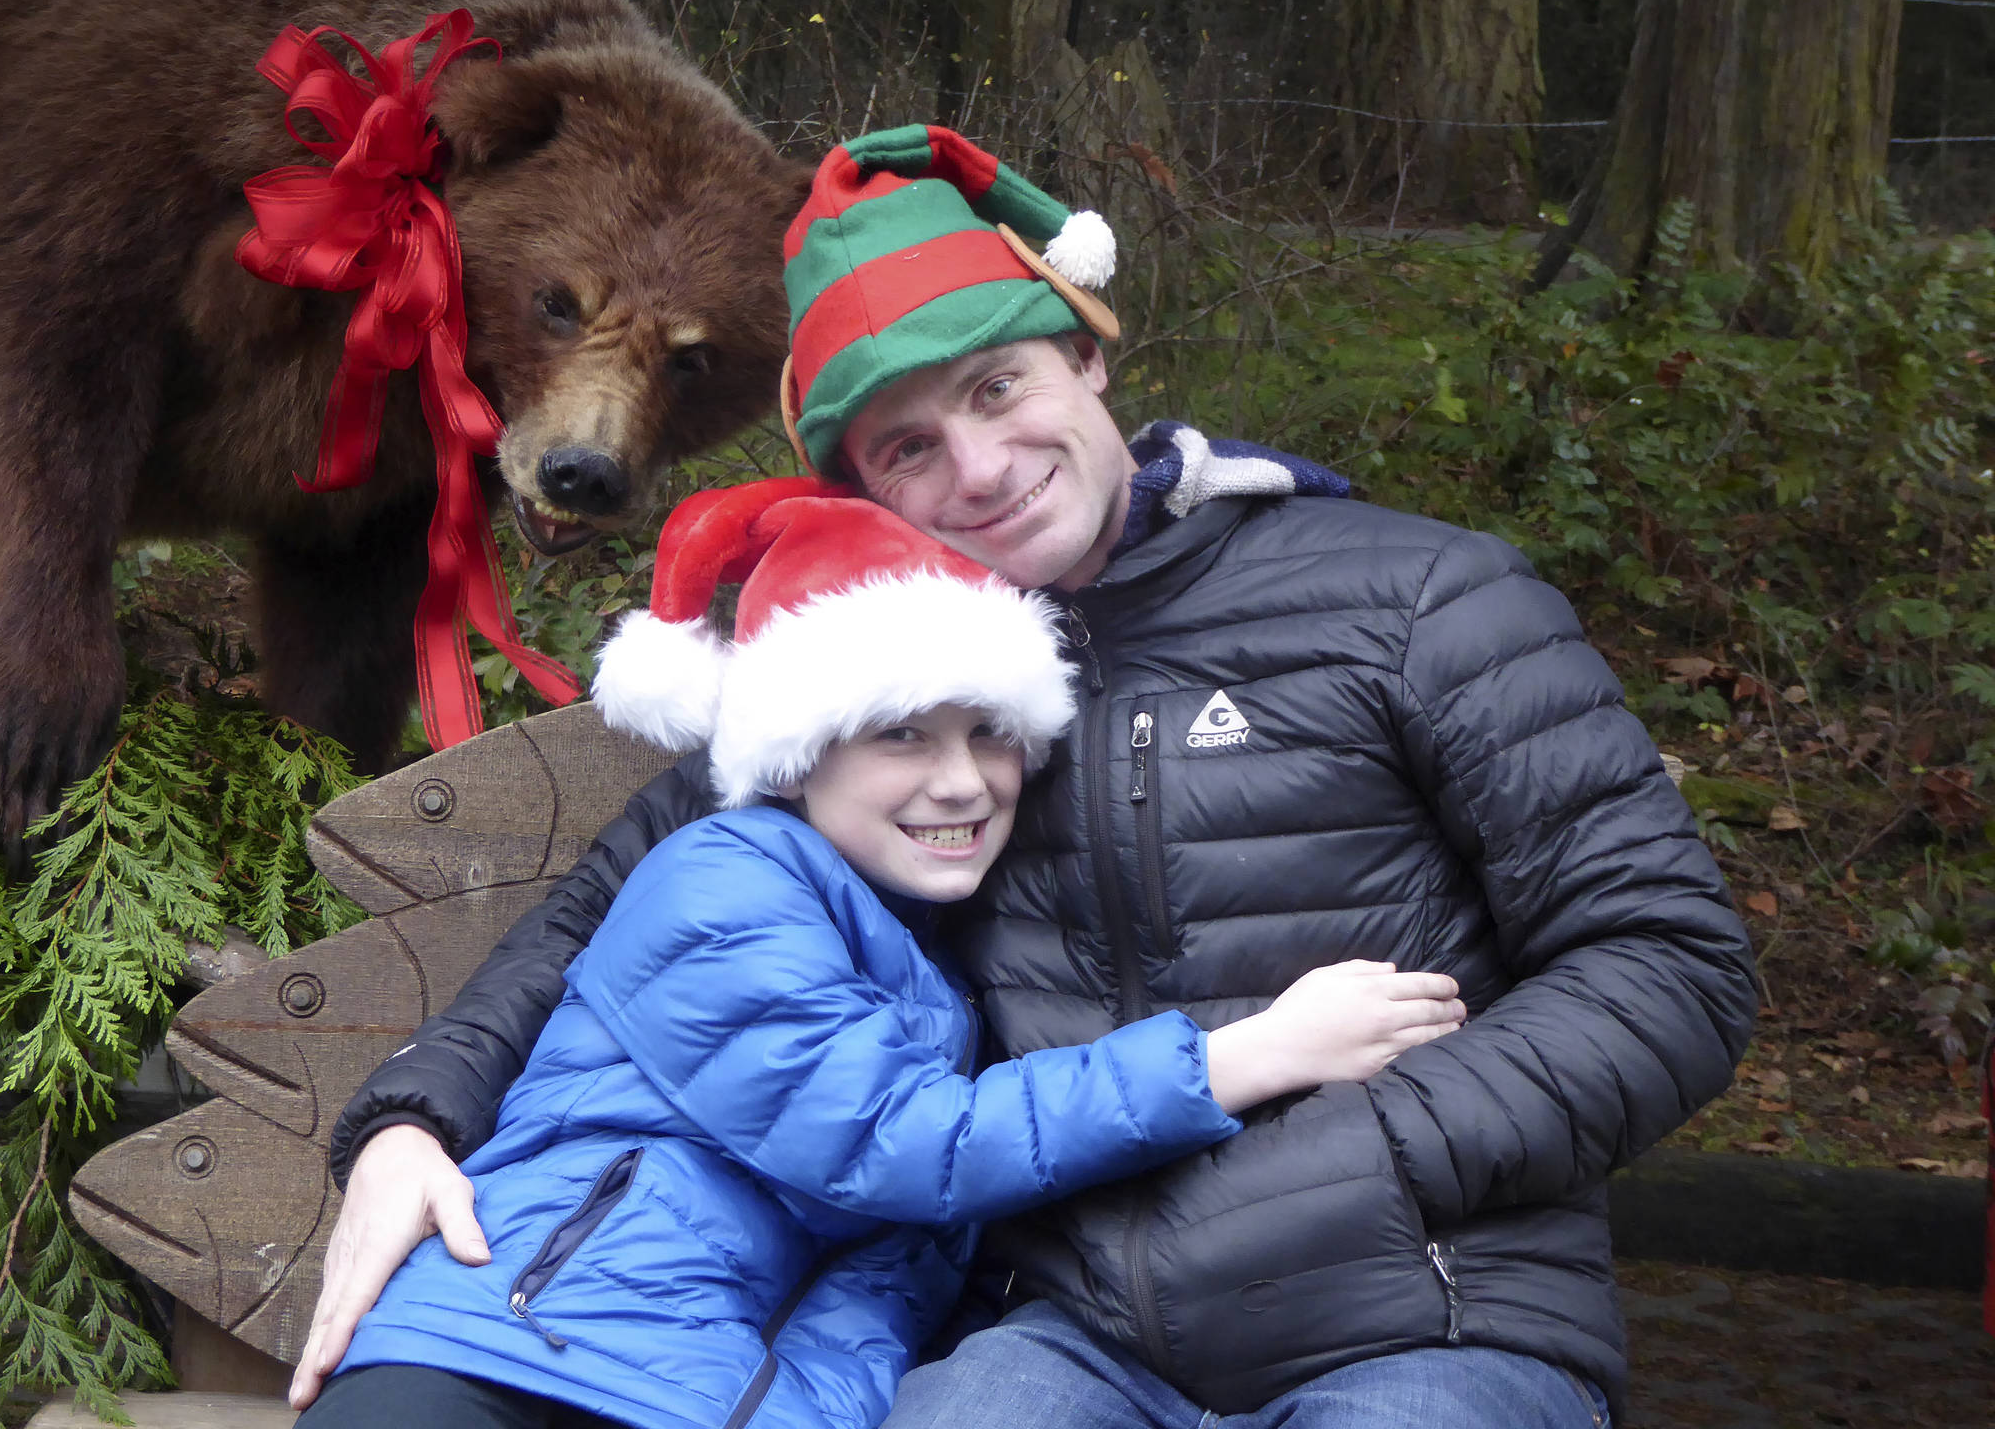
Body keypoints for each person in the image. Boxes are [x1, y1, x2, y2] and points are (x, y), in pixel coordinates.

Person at [291, 125, 1757, 1428]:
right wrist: (415, 1115)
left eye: (1003, 388)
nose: (982, 469)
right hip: (1066, 1326)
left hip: (1420, 1298)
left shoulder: (1416, 598)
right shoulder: (902, 686)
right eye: (911, 448)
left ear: (1090, 353)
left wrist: (1379, 1155)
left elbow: (1667, 959)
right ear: (862, 492)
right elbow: (615, 908)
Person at [294, 478, 1468, 1429]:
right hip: (512, 1356)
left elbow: (883, 1281)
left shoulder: (939, 976)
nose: (959, 782)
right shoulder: (728, 882)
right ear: (798, 757)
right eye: (901, 734)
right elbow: (906, 1148)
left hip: (697, 1392)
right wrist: (1243, 1055)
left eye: (989, 734)